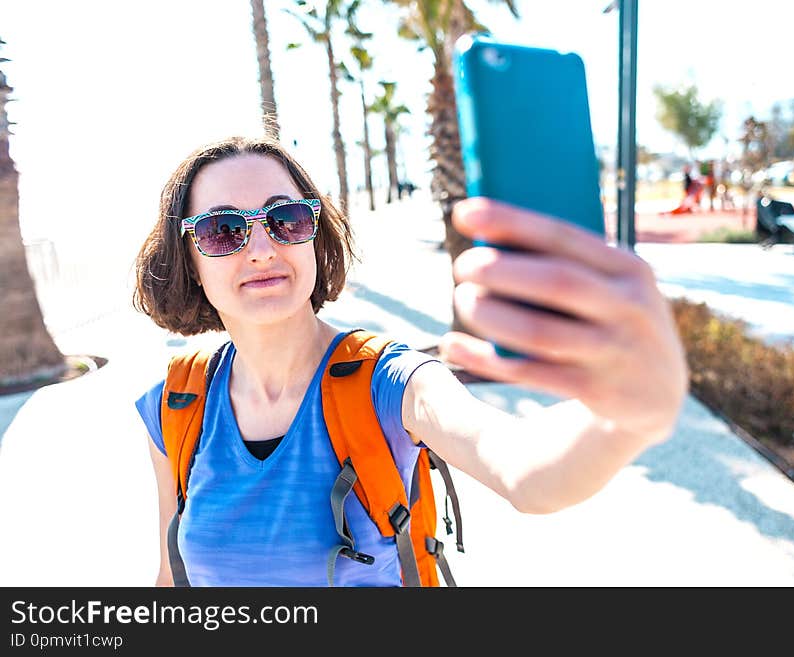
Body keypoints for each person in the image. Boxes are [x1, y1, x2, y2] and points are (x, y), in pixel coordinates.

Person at [132, 135, 689, 587]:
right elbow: (167, 578)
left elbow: (525, 471)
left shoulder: (389, 381)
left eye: (286, 219)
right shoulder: (178, 404)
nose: (260, 248)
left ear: (313, 235)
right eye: (223, 230)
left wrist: (626, 417)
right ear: (189, 260)